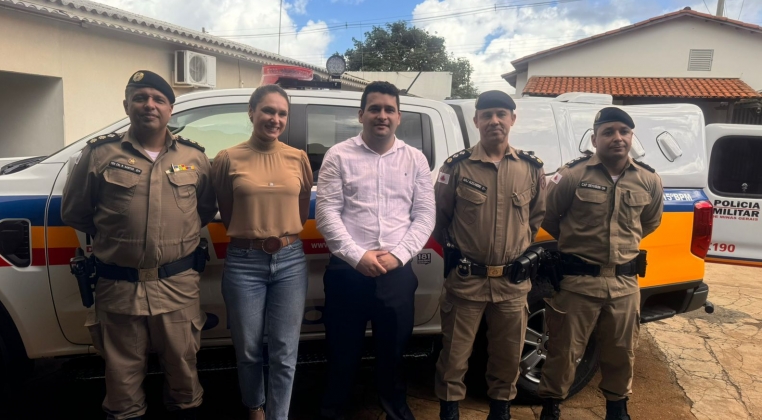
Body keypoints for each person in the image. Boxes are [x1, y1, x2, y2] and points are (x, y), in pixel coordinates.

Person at [61, 70, 217, 420]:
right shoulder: (99, 154)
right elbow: (75, 212)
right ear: (126, 105)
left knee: (184, 377)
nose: (149, 105)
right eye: (140, 97)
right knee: (122, 383)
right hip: (119, 287)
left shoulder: (195, 158)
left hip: (177, 288)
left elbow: (203, 211)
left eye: (158, 99)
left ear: (170, 109)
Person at [316, 81, 435, 420]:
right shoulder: (338, 155)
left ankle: (395, 409)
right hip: (346, 273)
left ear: (399, 117)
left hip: (397, 273)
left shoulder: (416, 159)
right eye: (374, 108)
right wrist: (357, 256)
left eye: (389, 110)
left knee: (394, 352)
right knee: (342, 352)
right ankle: (334, 410)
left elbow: (425, 215)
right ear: (361, 115)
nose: (381, 115)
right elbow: (326, 213)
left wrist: (398, 255)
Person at [537, 107, 664, 420]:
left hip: (624, 284)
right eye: (608, 132)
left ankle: (617, 409)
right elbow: (549, 216)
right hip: (577, 283)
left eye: (624, 131)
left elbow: (650, 222)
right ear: (595, 138)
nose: (617, 138)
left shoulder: (648, 179)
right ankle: (551, 407)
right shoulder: (571, 175)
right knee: (563, 353)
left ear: (631, 137)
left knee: (622, 352)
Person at [433, 90, 546, 420]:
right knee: (453, 357)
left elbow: (537, 218)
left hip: (512, 286)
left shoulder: (530, 168)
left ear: (512, 118)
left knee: (508, 358)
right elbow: (440, 220)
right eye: (487, 115)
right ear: (476, 121)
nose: (494, 121)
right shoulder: (456, 167)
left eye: (501, 113)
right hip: (466, 283)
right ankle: (449, 412)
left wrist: (515, 248)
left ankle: (501, 412)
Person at [211, 85, 313, 420]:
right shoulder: (228, 159)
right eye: (268, 111)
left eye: (282, 113)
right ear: (252, 112)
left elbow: (300, 212)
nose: (275, 119)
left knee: (285, 351)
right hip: (244, 263)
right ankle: (255, 408)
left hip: (290, 260)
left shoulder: (298, 158)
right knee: (249, 349)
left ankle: (279, 415)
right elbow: (227, 211)